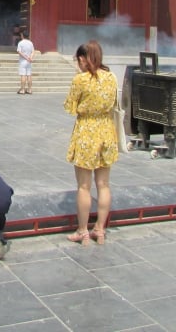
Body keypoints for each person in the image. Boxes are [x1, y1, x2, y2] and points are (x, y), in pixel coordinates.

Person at [64, 40, 118, 245]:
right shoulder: (111, 77)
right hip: (106, 131)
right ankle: (100, 230)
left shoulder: (81, 80)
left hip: (87, 131)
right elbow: (113, 103)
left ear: (83, 59)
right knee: (103, 184)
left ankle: (82, 231)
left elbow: (70, 107)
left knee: (84, 186)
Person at [16, 30, 34, 94]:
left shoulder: (20, 43)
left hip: (23, 61)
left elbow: (19, 52)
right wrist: (30, 58)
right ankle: (30, 89)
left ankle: (22, 89)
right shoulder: (30, 43)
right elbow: (32, 51)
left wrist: (26, 58)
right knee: (29, 75)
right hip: (29, 62)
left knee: (23, 75)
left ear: (22, 35)